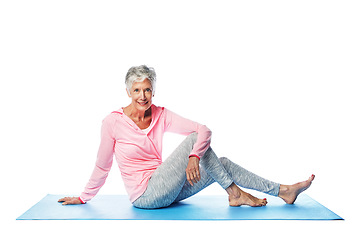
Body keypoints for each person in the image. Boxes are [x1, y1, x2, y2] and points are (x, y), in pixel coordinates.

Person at [58, 65, 315, 209]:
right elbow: (102, 166)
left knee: (219, 162)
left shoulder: (161, 114)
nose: (142, 95)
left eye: (147, 89)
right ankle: (235, 192)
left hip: (168, 188)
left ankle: (283, 191)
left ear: (154, 92)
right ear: (127, 91)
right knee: (196, 143)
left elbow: (205, 130)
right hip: (145, 196)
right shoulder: (112, 122)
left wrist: (194, 158)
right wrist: (83, 197)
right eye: (136, 90)